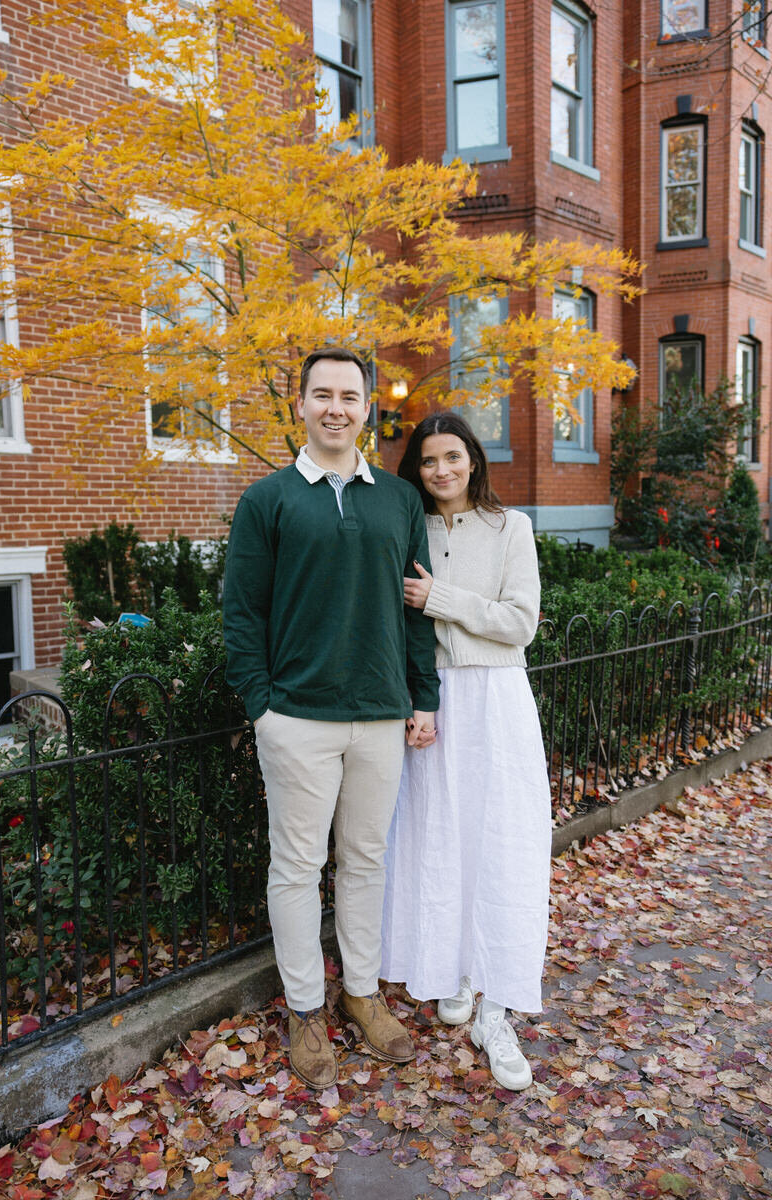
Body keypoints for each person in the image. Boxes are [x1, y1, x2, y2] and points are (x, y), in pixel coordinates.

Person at [222, 347, 440, 1090]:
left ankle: (361, 994)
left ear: (369, 407)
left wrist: (424, 695)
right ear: (302, 406)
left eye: (350, 395)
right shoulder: (269, 499)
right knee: (296, 867)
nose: (337, 407)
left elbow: (416, 610)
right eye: (323, 394)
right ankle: (306, 1010)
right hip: (298, 721)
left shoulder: (398, 501)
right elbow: (242, 614)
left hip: (380, 715)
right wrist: (263, 706)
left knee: (367, 861)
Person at [381, 411, 551, 1091]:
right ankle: (451, 969)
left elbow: (520, 624)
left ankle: (497, 1009)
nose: (442, 470)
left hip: (497, 698)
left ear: (473, 460)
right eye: (428, 460)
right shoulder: (407, 527)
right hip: (432, 700)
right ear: (416, 469)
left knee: (501, 843)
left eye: (453, 456)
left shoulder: (512, 528)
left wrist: (440, 598)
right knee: (434, 837)